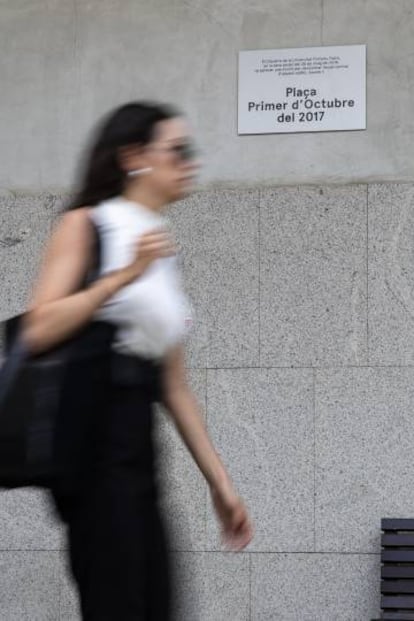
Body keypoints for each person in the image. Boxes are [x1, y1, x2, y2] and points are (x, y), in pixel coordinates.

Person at [21, 102, 253, 620]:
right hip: (93, 441)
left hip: (139, 449)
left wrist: (220, 483)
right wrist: (122, 277)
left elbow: (174, 386)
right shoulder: (88, 226)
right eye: (178, 150)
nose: (190, 161)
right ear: (134, 157)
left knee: (155, 603)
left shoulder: (161, 249)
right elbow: (38, 329)